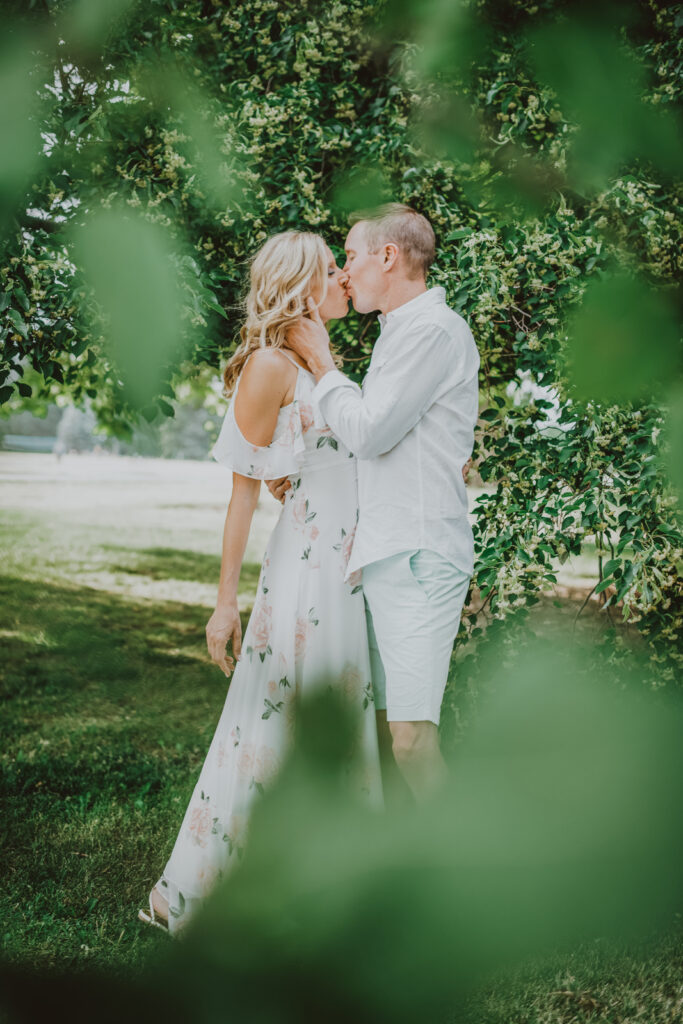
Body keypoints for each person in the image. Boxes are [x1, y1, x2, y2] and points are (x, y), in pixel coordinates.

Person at [138, 231, 383, 935]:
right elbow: (243, 493)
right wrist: (223, 605)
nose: (343, 281)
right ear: (302, 288)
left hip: (347, 569)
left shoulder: (326, 365)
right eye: (332, 272)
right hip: (304, 572)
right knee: (269, 726)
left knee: (338, 710)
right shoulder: (272, 365)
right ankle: (193, 890)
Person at [272, 203, 479, 802]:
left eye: (352, 256)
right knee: (390, 731)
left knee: (412, 738)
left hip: (416, 553)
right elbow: (375, 445)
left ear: (389, 257)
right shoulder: (402, 331)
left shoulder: (432, 331)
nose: (343, 274)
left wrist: (322, 360)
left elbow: (368, 431)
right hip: (387, 551)